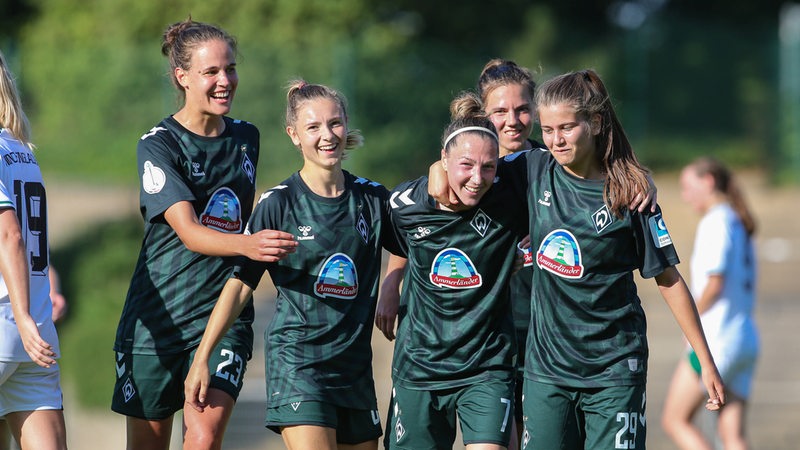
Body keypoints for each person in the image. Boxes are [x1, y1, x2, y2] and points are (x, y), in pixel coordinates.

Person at [111, 18, 296, 450]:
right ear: (183, 77)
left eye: (229, 68)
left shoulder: (246, 137)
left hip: (222, 319)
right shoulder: (158, 145)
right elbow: (191, 234)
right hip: (158, 322)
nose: (224, 80)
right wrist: (251, 243)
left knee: (203, 437)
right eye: (211, 72)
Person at [184, 80, 401, 450]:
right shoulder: (278, 204)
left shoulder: (373, 197)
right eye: (313, 127)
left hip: (354, 368)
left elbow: (408, 243)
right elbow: (239, 286)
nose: (327, 135)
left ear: (346, 123)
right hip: (299, 364)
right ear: (294, 135)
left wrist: (391, 284)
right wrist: (202, 358)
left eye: (334, 123)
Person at [516, 69, 725, 449]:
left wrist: (705, 359)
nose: (556, 140)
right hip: (547, 372)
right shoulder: (532, 170)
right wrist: (437, 169)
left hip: (613, 369)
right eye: (547, 130)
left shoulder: (630, 195)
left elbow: (669, 280)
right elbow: (476, 162)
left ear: (594, 123)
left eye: (566, 127)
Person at [382, 92, 531, 450]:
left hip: (486, 366)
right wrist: (391, 284)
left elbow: (571, 158)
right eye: (467, 165)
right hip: (421, 367)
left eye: (489, 166)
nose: (478, 178)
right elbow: (399, 244)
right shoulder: (406, 205)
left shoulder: (511, 195)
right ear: (443, 159)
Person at [661, 157, 759, 450]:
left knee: (674, 420)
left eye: (688, 186)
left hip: (717, 341)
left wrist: (692, 321)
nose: (684, 195)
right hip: (744, 339)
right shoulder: (737, 220)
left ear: (708, 182)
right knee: (733, 436)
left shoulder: (716, 221)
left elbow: (715, 282)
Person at [0, 49, 67, 450]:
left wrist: (20, 317)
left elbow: (9, 236)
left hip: (13, 317)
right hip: (36, 330)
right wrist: (28, 322)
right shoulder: (20, 149)